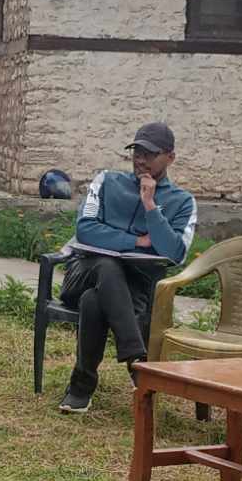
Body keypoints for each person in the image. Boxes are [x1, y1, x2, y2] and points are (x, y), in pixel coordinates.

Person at [55, 122, 198, 414]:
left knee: (93, 301)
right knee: (106, 267)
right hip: (82, 274)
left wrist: (150, 206)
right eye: (137, 152)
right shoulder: (106, 181)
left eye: (150, 154)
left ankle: (81, 388)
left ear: (170, 157)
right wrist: (136, 241)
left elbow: (174, 253)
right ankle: (135, 357)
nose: (141, 160)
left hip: (133, 290)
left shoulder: (182, 202)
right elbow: (85, 229)